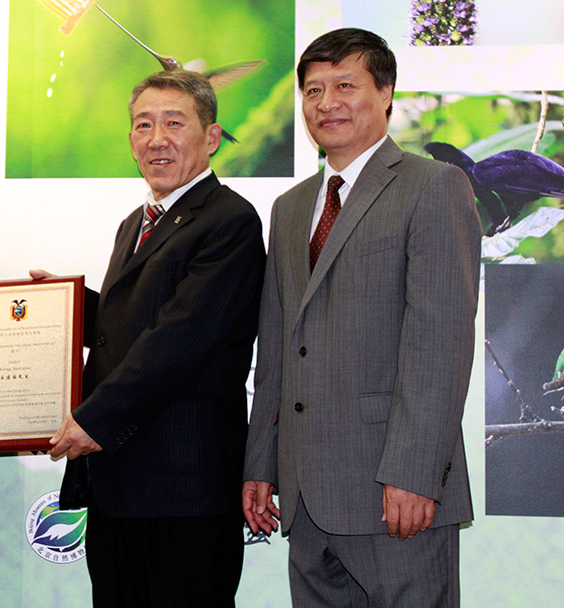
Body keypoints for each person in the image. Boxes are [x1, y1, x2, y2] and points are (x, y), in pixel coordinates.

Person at [242, 29, 480, 607]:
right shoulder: (291, 206)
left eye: (345, 85)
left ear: (387, 91)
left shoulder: (434, 186)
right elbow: (275, 347)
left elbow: (440, 343)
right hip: (305, 496)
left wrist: (416, 472)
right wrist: (261, 463)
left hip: (393, 492)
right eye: (313, 90)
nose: (326, 104)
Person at [35, 70, 265, 607]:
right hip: (120, 481)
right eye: (143, 124)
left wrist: (93, 419)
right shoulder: (135, 223)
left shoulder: (229, 220)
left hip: (183, 484)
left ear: (211, 137)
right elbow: (133, 326)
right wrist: (64, 311)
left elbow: (181, 339)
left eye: (173, 123)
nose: (155, 138)